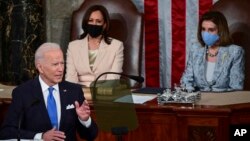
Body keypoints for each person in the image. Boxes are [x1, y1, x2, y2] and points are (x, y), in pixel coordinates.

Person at [0, 43, 98, 141]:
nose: (61, 69)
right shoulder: (23, 93)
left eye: (62, 63)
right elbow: (7, 132)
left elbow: (91, 135)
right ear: (40, 67)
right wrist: (40, 137)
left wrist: (85, 120)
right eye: (55, 64)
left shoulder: (74, 91)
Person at [180, 11, 245, 92]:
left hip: (224, 102)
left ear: (221, 31)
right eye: (203, 29)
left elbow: (236, 88)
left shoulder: (235, 52)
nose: (206, 34)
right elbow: (186, 82)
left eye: (211, 30)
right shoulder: (195, 49)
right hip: (199, 101)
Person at [65, 5, 124, 87]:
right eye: (91, 20)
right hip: (79, 93)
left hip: (104, 93)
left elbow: (113, 78)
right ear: (86, 23)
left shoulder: (116, 46)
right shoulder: (73, 46)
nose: (94, 24)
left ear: (104, 25)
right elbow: (70, 78)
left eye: (98, 21)